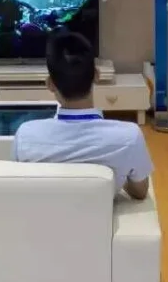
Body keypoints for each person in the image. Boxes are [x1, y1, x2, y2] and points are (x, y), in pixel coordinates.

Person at [12, 31, 154, 200]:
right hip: (100, 215)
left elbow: (19, 189)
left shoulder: (26, 135)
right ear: (97, 75)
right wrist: (120, 171)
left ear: (50, 84)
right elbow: (140, 192)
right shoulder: (130, 137)